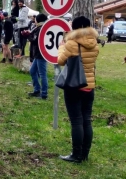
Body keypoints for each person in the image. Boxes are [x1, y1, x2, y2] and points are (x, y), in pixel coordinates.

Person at [57, 16, 99, 163]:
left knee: (76, 121)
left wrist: (62, 46)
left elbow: (60, 61)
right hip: (89, 85)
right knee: (86, 120)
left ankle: (76, 154)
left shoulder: (71, 43)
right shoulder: (95, 43)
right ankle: (85, 154)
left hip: (74, 85)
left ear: (74, 28)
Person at [26, 13, 48, 99]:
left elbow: (36, 41)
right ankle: (37, 89)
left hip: (40, 54)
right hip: (37, 54)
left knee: (42, 74)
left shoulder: (41, 29)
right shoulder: (39, 28)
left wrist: (28, 36)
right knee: (32, 71)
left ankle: (44, 94)